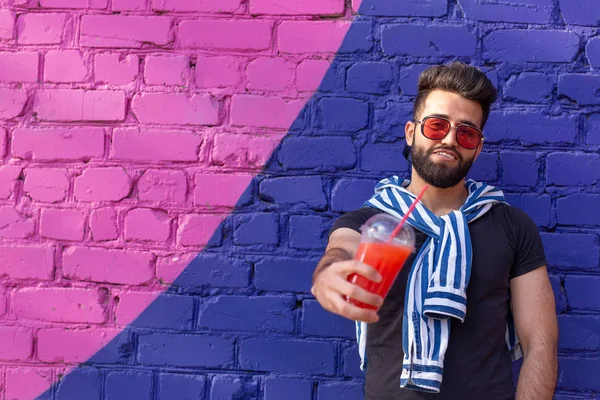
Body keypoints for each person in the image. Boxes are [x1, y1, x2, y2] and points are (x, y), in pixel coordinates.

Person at [311, 61, 558, 400]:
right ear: (411, 132)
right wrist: (328, 274)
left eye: (466, 132)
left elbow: (540, 344)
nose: (450, 140)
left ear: (478, 147)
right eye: (437, 125)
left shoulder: (512, 226)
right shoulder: (372, 221)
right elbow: (341, 249)